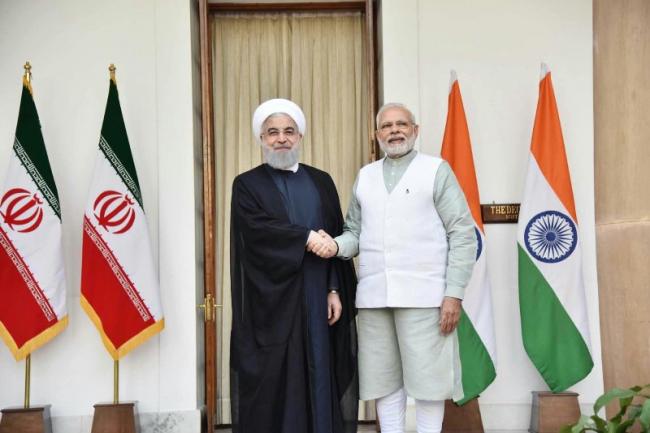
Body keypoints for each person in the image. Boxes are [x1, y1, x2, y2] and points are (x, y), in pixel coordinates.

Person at [314, 103, 476, 433]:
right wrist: (334, 246)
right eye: (386, 126)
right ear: (377, 135)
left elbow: (462, 233)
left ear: (415, 130)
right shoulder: (366, 176)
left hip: (426, 297)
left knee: (429, 384)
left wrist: (454, 294)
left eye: (402, 124)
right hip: (374, 298)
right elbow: (355, 232)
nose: (395, 131)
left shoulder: (436, 170)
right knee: (383, 381)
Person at [229, 98, 358, 433]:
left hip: (317, 293)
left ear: (300, 136)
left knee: (320, 369)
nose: (281, 138)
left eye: (289, 131)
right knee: (278, 379)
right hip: (274, 301)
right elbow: (256, 231)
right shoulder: (247, 184)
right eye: (272, 132)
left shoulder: (321, 181)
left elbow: (334, 233)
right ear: (261, 138)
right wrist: (304, 237)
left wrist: (333, 288)